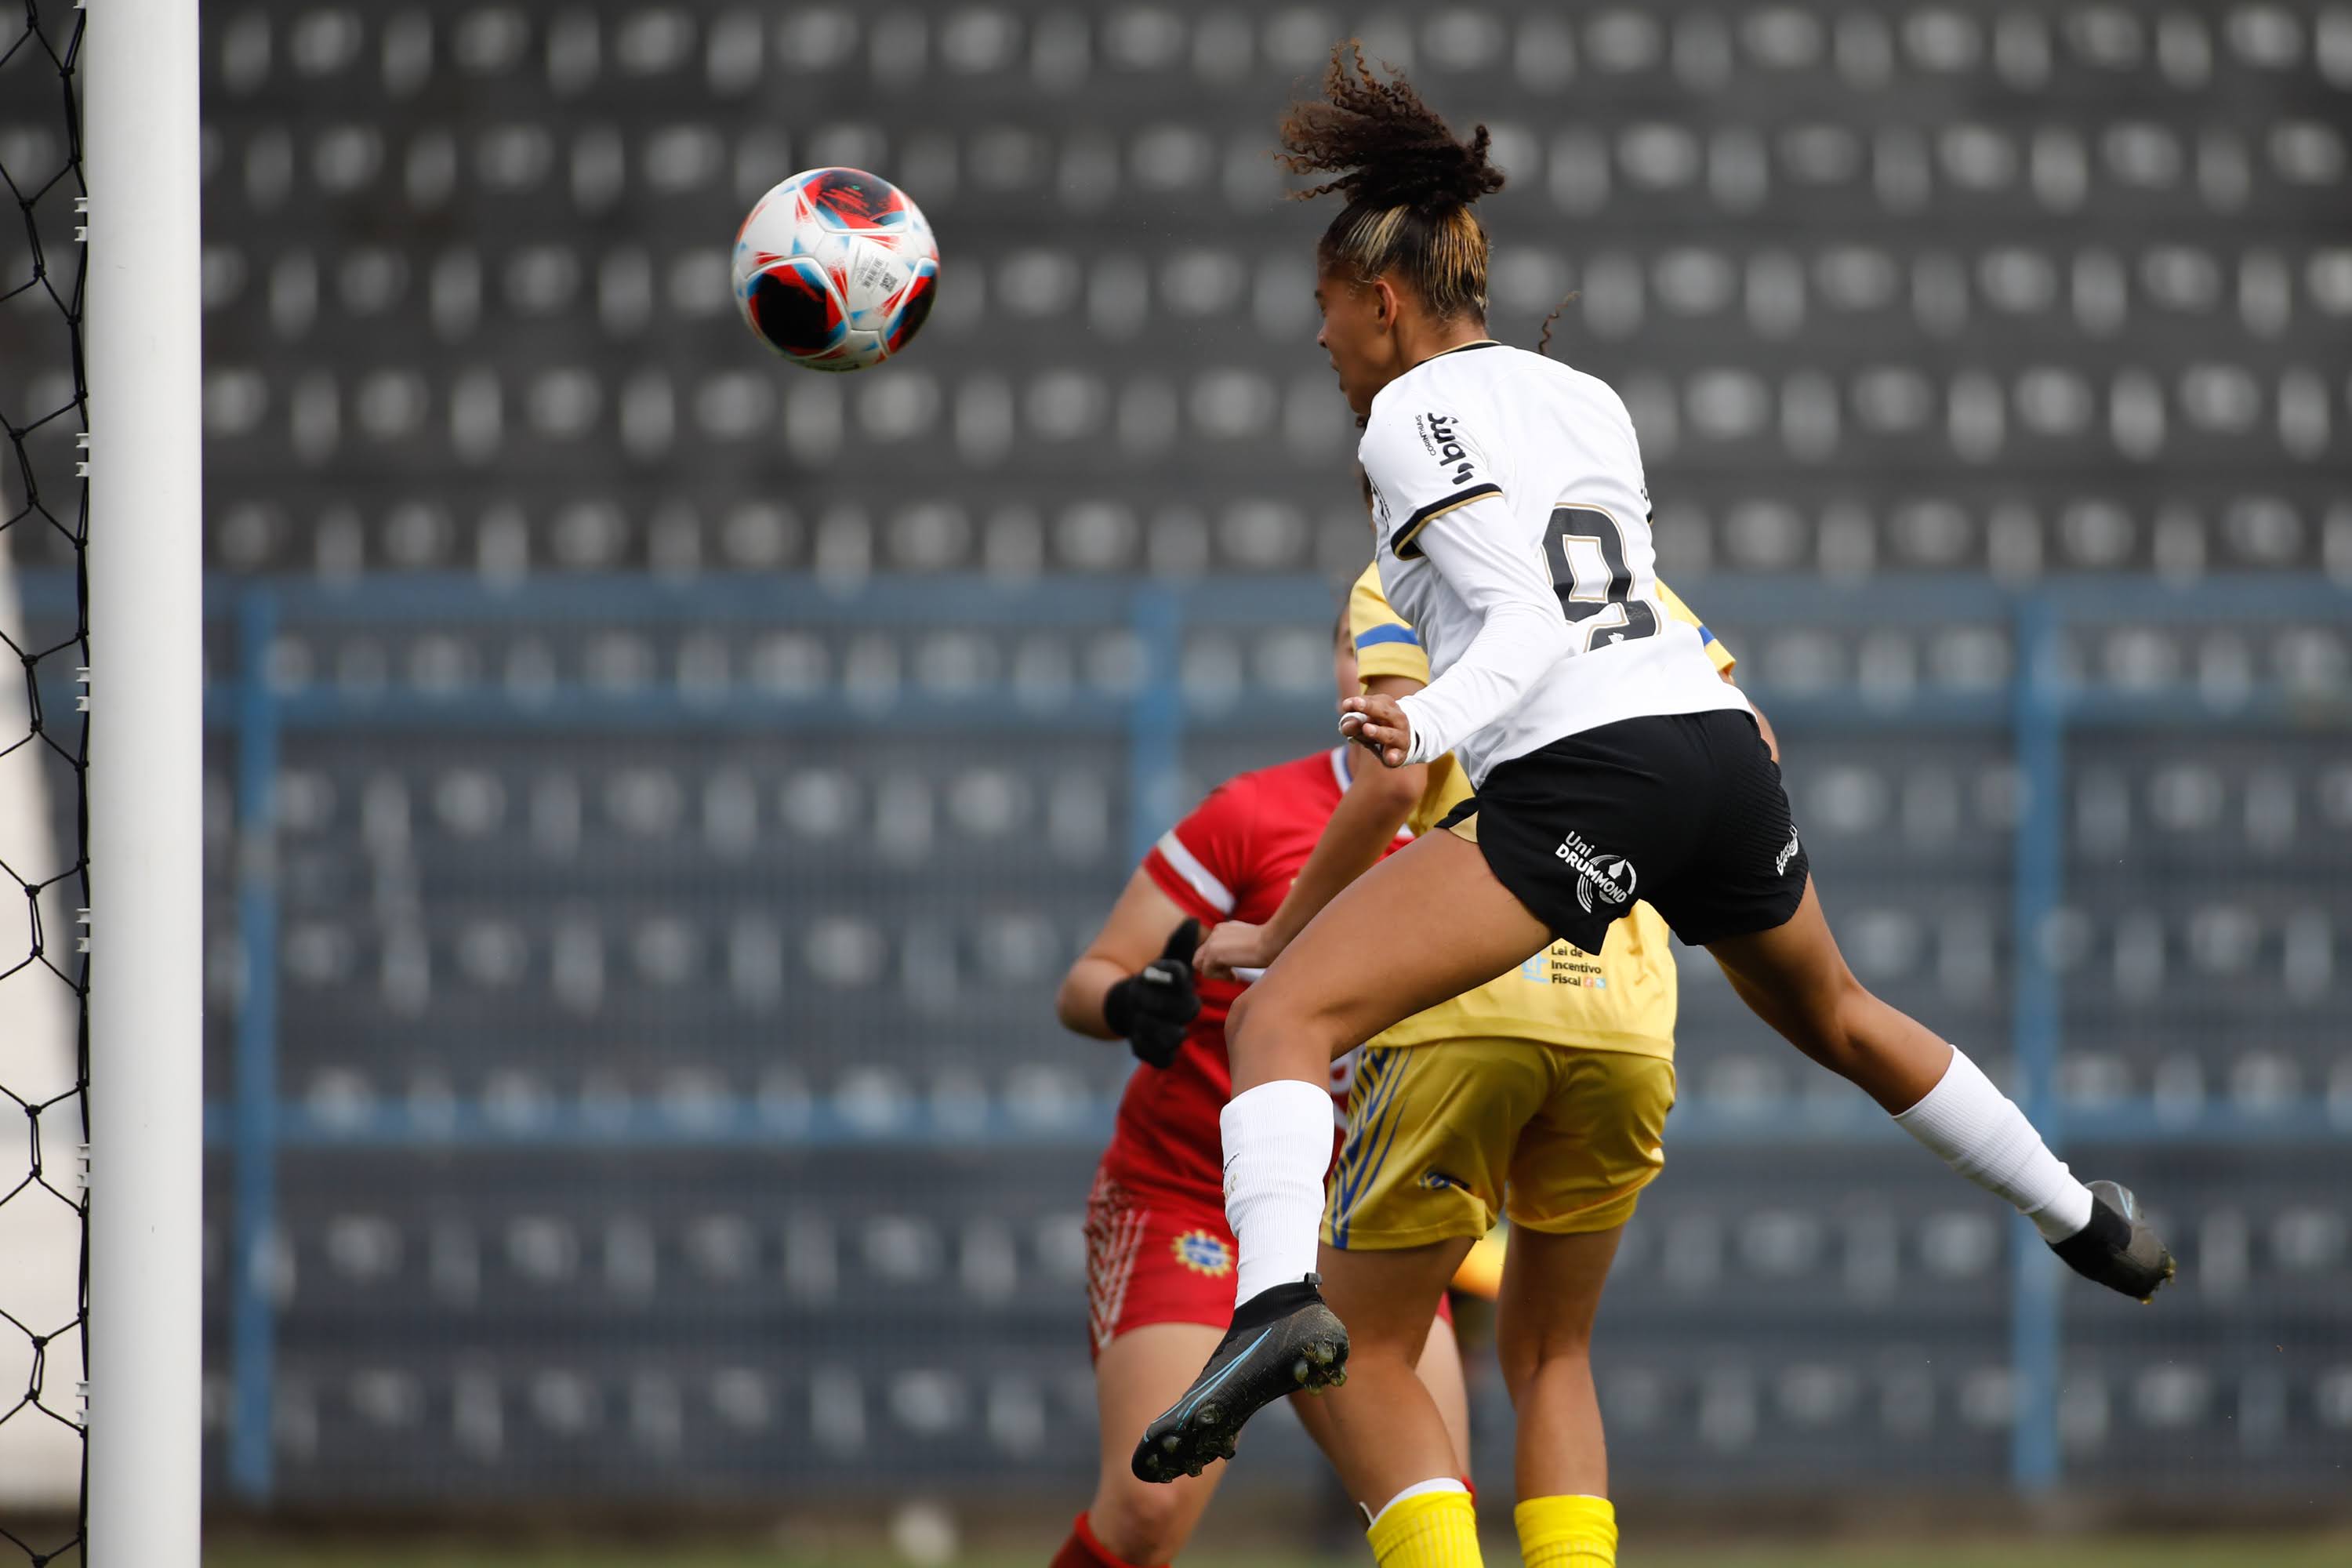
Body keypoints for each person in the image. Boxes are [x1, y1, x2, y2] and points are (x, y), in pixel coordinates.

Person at [1135, 45, 2176, 1564]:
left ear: (1383, 301)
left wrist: (1420, 715)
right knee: (1841, 1014)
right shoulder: (1585, 399)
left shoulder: (1402, 419)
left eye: (1326, 319)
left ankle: (1279, 1306)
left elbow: (1535, 640)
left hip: (1593, 773)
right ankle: (2080, 1213)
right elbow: (1601, 606)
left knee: (1281, 1021)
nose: (1324, 346)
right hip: (1714, 744)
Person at [1178, 555, 1753, 1568]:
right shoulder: (1631, 588)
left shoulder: (1407, 565)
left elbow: (1393, 778)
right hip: (1625, 1014)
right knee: (1554, 1352)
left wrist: (1279, 935)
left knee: (1355, 1345)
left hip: (1472, 995)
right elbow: (1755, 753)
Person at [1048, 615, 1470, 1568]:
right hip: (1189, 1196)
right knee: (1148, 1515)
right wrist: (1130, 999)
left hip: (1367, 1225)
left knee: (1434, 1519)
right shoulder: (1254, 812)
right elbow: (1086, 982)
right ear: (1334, 670)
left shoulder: (1493, 841)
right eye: (1360, 646)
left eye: (1416, 648)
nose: (1385, 672)